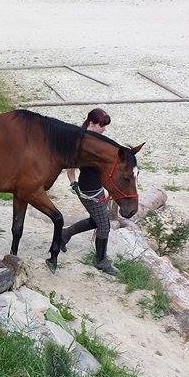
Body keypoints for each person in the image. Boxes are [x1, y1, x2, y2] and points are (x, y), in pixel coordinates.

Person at [61, 108, 118, 275]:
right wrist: (74, 185)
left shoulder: (98, 140)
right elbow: (70, 169)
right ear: (92, 123)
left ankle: (65, 234)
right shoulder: (80, 142)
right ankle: (101, 261)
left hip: (97, 187)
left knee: (97, 221)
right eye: (102, 125)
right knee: (104, 226)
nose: (105, 129)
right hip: (88, 190)